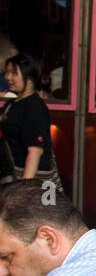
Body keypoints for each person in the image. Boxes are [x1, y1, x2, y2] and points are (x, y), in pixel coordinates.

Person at [1, 54, 58, 184]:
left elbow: (35, 152)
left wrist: (24, 190)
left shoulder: (35, 107)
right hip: (13, 177)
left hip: (31, 183)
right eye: (7, 72)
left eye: (14, 73)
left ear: (30, 78)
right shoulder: (12, 104)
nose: (7, 77)